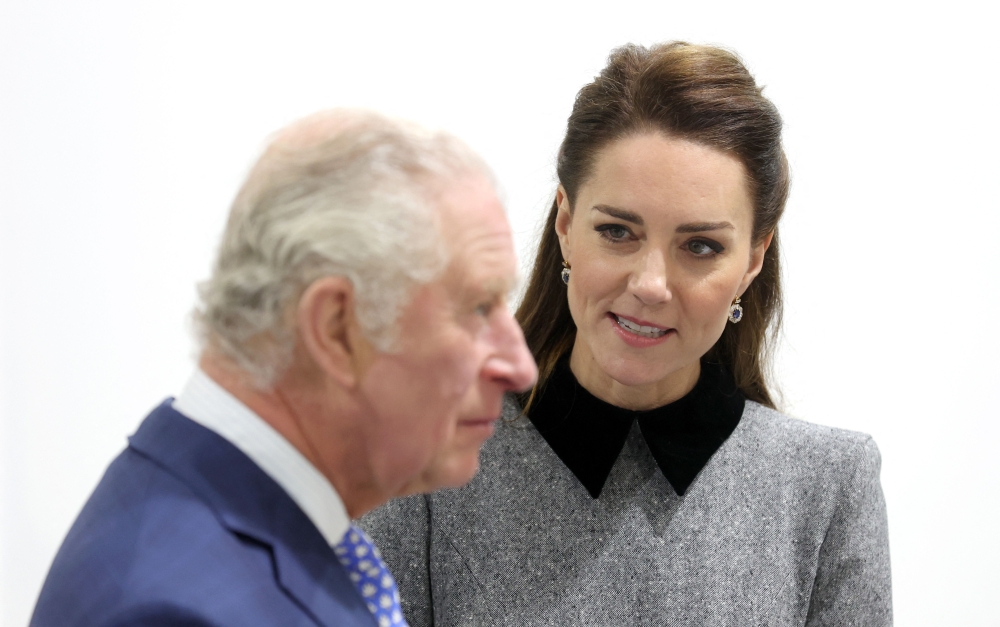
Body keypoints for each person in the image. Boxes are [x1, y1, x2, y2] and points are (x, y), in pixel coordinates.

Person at [361, 42, 892, 626]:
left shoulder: (828, 485)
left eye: (701, 246)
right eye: (617, 231)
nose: (651, 284)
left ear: (753, 259)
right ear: (566, 224)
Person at [29, 109, 537, 627]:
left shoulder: (231, 521)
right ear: (337, 328)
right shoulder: (176, 610)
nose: (521, 367)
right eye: (479, 308)